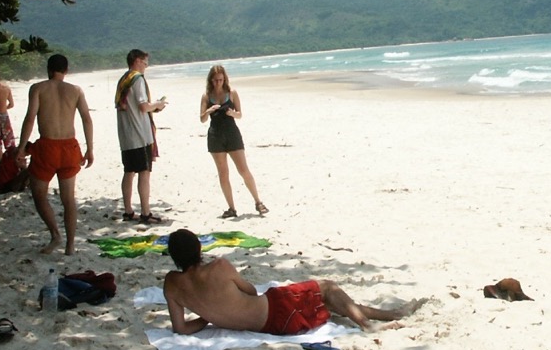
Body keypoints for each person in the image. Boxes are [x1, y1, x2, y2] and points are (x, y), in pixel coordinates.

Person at [163, 229, 423, 335]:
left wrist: (210, 316)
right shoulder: (219, 267)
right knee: (327, 287)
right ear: (198, 248)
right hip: (275, 312)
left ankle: (391, 313)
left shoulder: (172, 285)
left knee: (332, 302)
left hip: (268, 325)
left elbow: (181, 328)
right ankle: (368, 324)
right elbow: (251, 291)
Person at [16, 54, 94, 255]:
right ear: (66, 71)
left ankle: (55, 235)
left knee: (39, 195)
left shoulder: (38, 88)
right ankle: (70, 246)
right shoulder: (75, 90)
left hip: (47, 148)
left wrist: (21, 148)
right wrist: (90, 149)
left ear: (49, 70)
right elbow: (87, 119)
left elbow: (30, 119)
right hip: (69, 148)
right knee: (68, 199)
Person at [199, 65, 268, 219]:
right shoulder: (206, 96)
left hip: (232, 133)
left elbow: (240, 115)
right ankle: (231, 207)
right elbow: (202, 119)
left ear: (225, 79)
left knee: (243, 170)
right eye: (215, 80)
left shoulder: (232, 93)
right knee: (223, 173)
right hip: (215, 136)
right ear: (211, 80)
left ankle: (258, 201)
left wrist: (232, 113)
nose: (218, 83)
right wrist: (209, 111)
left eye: (221, 80)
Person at [115, 48, 167, 223]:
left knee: (129, 172)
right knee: (144, 172)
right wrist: (158, 104)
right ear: (137, 61)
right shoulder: (137, 79)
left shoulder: (123, 79)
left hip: (126, 135)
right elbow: (143, 106)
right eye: (145, 63)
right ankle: (145, 212)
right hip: (139, 134)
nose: (146, 66)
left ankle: (128, 211)